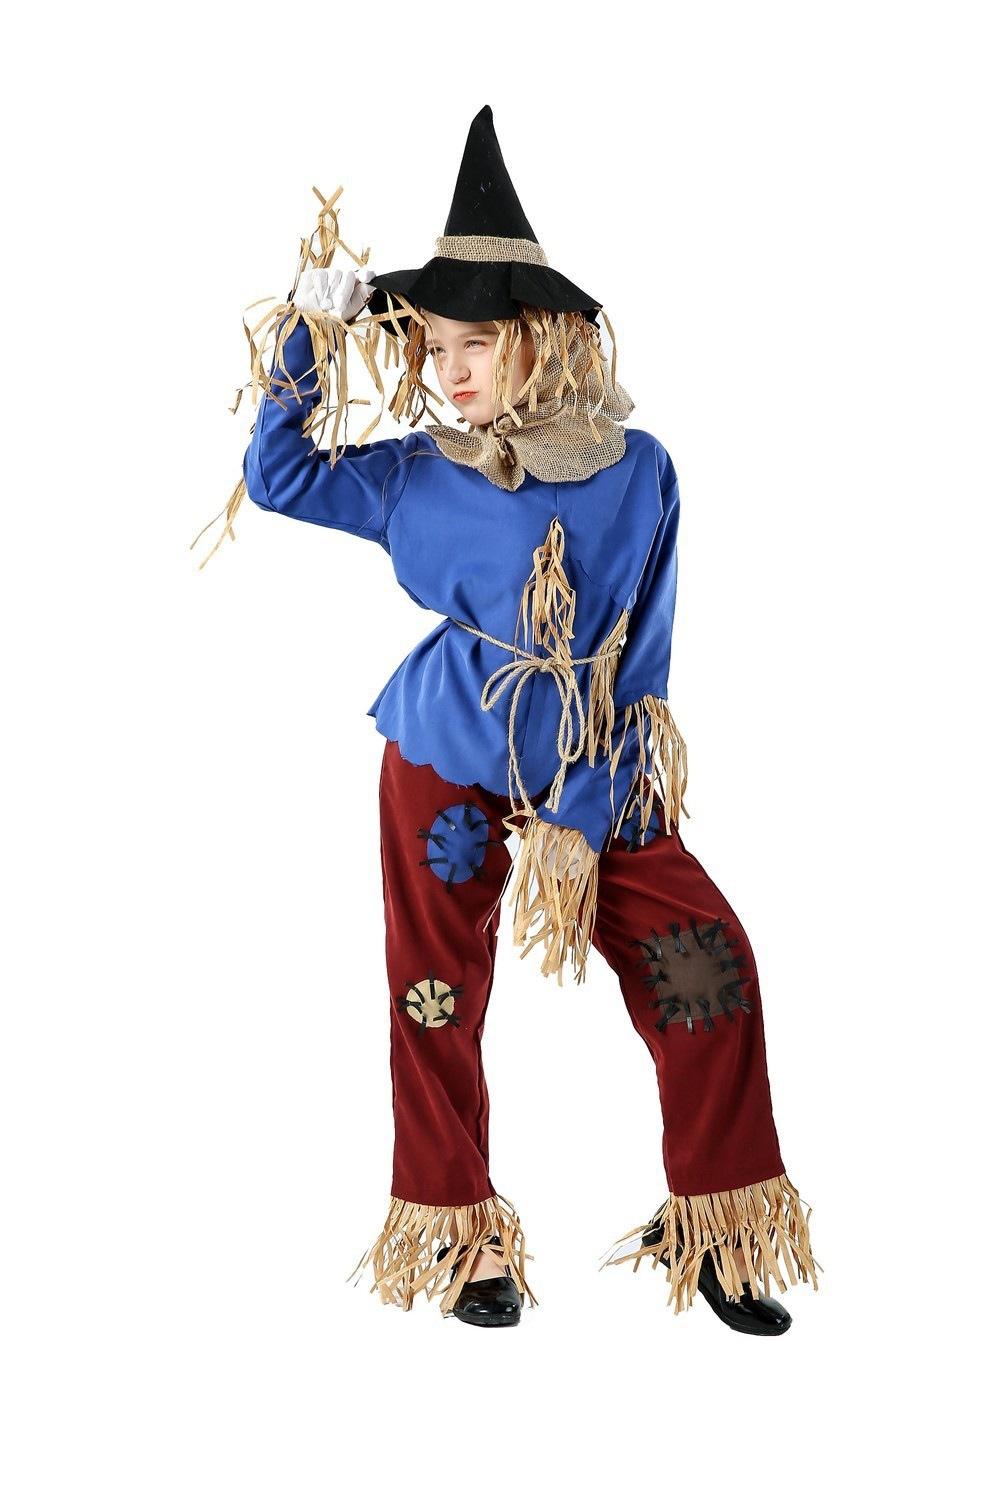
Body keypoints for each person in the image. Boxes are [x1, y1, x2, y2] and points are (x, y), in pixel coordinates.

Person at [204, 104, 820, 1333]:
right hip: (444, 756)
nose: (450, 371)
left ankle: (717, 1224)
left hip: (596, 760)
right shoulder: (417, 472)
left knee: (707, 963)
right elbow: (277, 479)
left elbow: (643, 649)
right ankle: (458, 1234)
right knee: (435, 990)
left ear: (538, 337)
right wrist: (311, 340)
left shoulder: (638, 468)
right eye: (433, 348)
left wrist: (591, 807)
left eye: (474, 344)